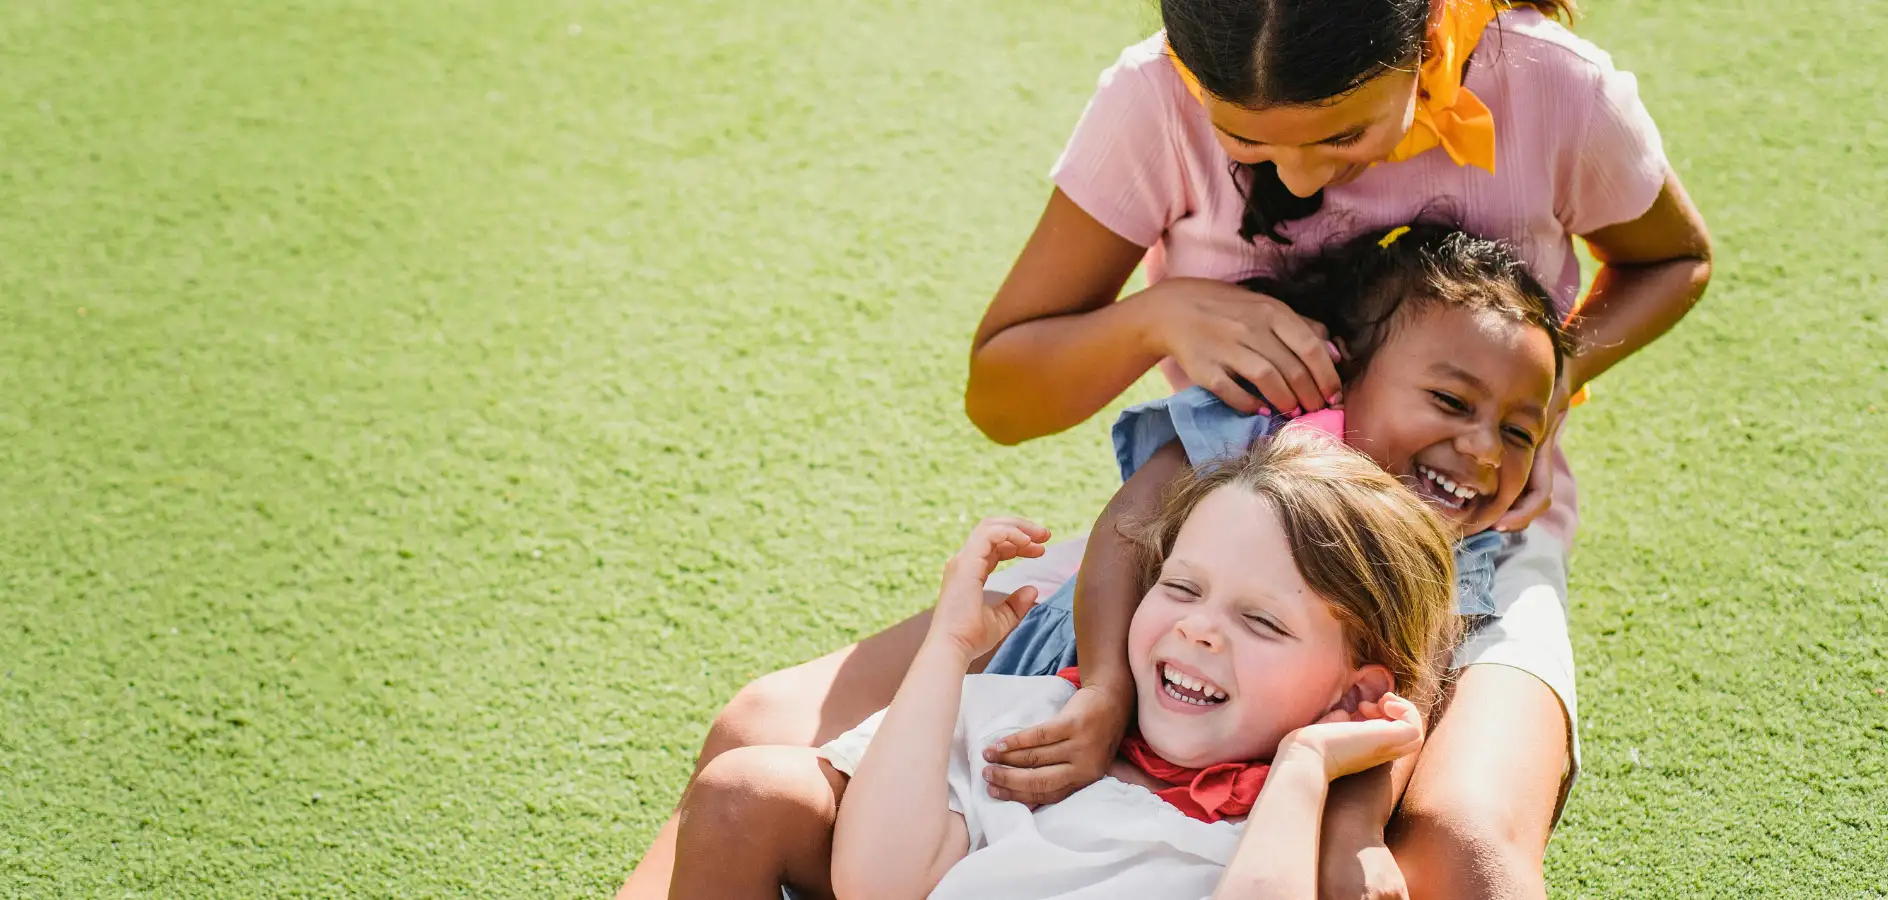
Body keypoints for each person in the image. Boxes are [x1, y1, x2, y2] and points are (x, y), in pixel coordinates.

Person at [618, 0, 1712, 895]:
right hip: (1218, 528)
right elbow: (1004, 395)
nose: (1297, 178)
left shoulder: (1553, 86)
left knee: (1463, 846)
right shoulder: (1150, 104)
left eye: (1340, 132)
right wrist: (1160, 316)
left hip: (1471, 563)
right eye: (1245, 139)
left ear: (1427, 40)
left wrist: (1518, 402)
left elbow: (1673, 259)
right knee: (753, 729)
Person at [658, 224, 1571, 899]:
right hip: (1083, 682)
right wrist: (1090, 685)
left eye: (1521, 434)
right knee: (757, 758)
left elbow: (1405, 698)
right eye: (1451, 402)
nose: (1485, 451)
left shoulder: (1450, 585)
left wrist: (1338, 808)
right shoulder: (1242, 446)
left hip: (1229, 764)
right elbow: (1126, 536)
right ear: (1340, 372)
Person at [719, 429, 1463, 900]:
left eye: (1261, 621)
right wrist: (950, 649)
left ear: (1357, 691)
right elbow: (880, 882)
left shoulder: (1299, 837)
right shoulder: (1032, 729)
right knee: (744, 783)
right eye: (1180, 587)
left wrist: (1303, 767)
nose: (1199, 629)